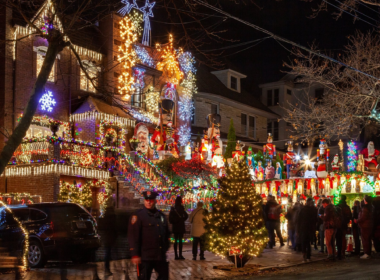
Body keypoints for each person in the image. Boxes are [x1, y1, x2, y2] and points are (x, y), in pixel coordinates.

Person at [128, 191, 170, 280]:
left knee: (164, 277)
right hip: (145, 257)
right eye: (147, 200)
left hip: (159, 256)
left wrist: (165, 248)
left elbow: (166, 234)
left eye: (151, 200)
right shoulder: (138, 216)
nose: (149, 202)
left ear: (155, 201)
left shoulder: (161, 216)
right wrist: (135, 254)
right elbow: (133, 235)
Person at [336, 195, 352, 259]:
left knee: (338, 238)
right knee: (343, 237)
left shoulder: (338, 206)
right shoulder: (347, 207)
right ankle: (343, 251)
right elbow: (350, 215)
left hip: (338, 224)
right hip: (345, 224)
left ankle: (339, 251)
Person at [103, 204, 118, 276]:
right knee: (110, 253)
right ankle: (108, 268)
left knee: (108, 253)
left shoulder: (105, 217)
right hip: (111, 237)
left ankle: (107, 268)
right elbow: (115, 227)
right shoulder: (112, 216)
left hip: (107, 238)